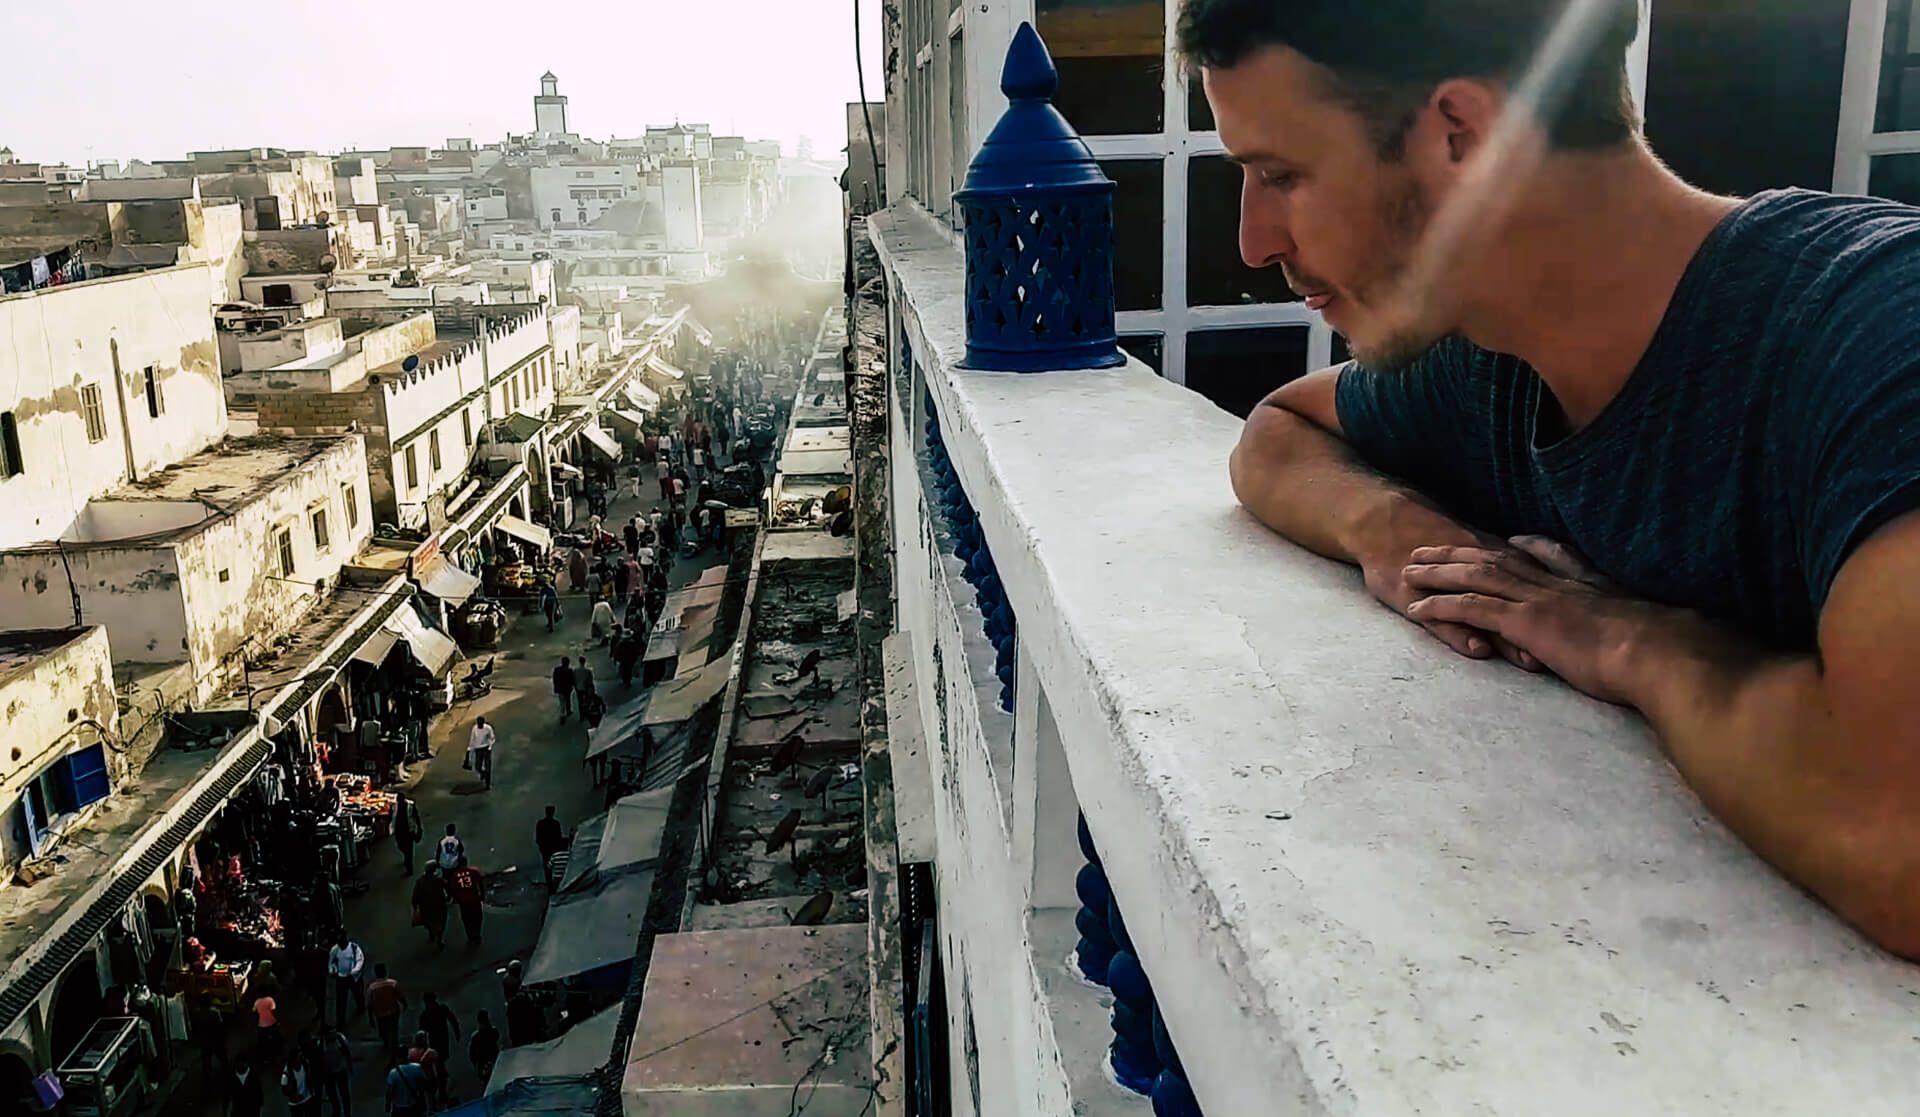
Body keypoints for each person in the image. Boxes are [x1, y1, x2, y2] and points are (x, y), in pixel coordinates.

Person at [1188, 0, 1920, 954]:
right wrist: (1406, 539)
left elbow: (1898, 841)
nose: (1254, 241)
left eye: (1280, 174)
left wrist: (1634, 645)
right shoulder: (1497, 366)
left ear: (1461, 133)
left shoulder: (1874, 339)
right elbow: (1276, 437)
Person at [365, 962, 407, 1064]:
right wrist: (405, 1005)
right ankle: (395, 1044)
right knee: (394, 1027)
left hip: (380, 1013)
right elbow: (401, 996)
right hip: (393, 1011)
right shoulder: (393, 984)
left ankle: (386, 1041)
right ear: (385, 972)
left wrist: (370, 1018)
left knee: (382, 1028)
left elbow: (370, 1005)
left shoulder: (372, 988)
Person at [327, 936, 365, 1028]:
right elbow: (331, 962)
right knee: (340, 1000)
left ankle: (361, 1006)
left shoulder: (354, 948)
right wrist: (332, 971)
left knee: (358, 993)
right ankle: (340, 1021)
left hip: (352, 978)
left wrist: (353, 972)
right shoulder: (335, 949)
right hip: (341, 978)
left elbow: (360, 961)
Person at [446, 857, 486, 945]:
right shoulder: (473, 872)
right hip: (474, 900)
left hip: (463, 902)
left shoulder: (455, 875)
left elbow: (452, 889)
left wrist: (456, 899)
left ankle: (470, 935)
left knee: (466, 919)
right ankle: (477, 934)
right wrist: (482, 896)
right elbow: (480, 884)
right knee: (477, 918)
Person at [316, 1023, 353, 1117]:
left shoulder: (340, 1039)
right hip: (328, 1073)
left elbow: (347, 1053)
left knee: (344, 1093)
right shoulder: (320, 1044)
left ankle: (347, 1112)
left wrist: (349, 1066)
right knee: (332, 1094)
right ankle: (336, 1109)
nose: (334, 1034)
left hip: (341, 1070)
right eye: (331, 1033)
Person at [418, 992, 462, 1067]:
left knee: (439, 1060)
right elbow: (421, 1032)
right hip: (435, 1041)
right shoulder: (426, 1014)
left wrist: (457, 1033)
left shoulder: (436, 1010)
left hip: (439, 1041)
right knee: (438, 1061)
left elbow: (453, 1020)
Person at [404, 1031, 446, 1109]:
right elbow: (437, 1067)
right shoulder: (431, 1053)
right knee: (431, 1098)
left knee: (419, 1099)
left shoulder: (410, 1053)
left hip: (416, 1079)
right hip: (429, 1078)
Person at [411, 867, 448, 949]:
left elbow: (415, 896)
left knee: (429, 920)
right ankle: (440, 937)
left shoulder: (420, 882)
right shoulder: (439, 880)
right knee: (441, 920)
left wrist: (415, 906)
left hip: (426, 907)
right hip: (439, 905)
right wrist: (447, 897)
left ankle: (431, 933)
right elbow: (448, 887)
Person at [281, 1047, 320, 1117]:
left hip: (308, 1098)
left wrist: (313, 1090)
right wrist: (294, 1096)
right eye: (299, 1056)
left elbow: (310, 1078)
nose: (302, 1058)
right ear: (294, 1059)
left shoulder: (305, 1065)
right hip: (296, 1104)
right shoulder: (287, 1073)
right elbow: (284, 1089)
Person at [535, 806, 566, 887]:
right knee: (555, 865)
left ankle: (549, 883)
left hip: (545, 849)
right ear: (553, 812)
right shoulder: (556, 824)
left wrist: (541, 847)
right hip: (554, 848)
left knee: (546, 866)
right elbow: (559, 837)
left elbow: (538, 837)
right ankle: (555, 882)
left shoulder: (540, 823)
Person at [392, 792, 422, 876]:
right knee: (400, 846)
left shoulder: (410, 806)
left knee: (409, 850)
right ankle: (406, 857)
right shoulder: (395, 806)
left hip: (408, 831)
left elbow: (416, 817)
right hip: (399, 831)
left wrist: (419, 827)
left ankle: (409, 869)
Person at [468, 1011, 501, 1085]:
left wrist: (475, 1064)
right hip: (493, 1060)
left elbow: (472, 1054)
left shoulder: (475, 1037)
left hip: (482, 1062)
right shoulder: (493, 1031)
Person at [466, 717, 495, 790]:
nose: (479, 725)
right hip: (478, 749)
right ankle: (482, 773)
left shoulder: (488, 728)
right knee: (477, 767)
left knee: (488, 766)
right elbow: (472, 739)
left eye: (480, 723)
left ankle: (488, 784)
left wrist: (490, 747)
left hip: (486, 749)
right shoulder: (474, 728)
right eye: (478, 723)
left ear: (483, 722)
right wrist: (469, 748)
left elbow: (492, 738)